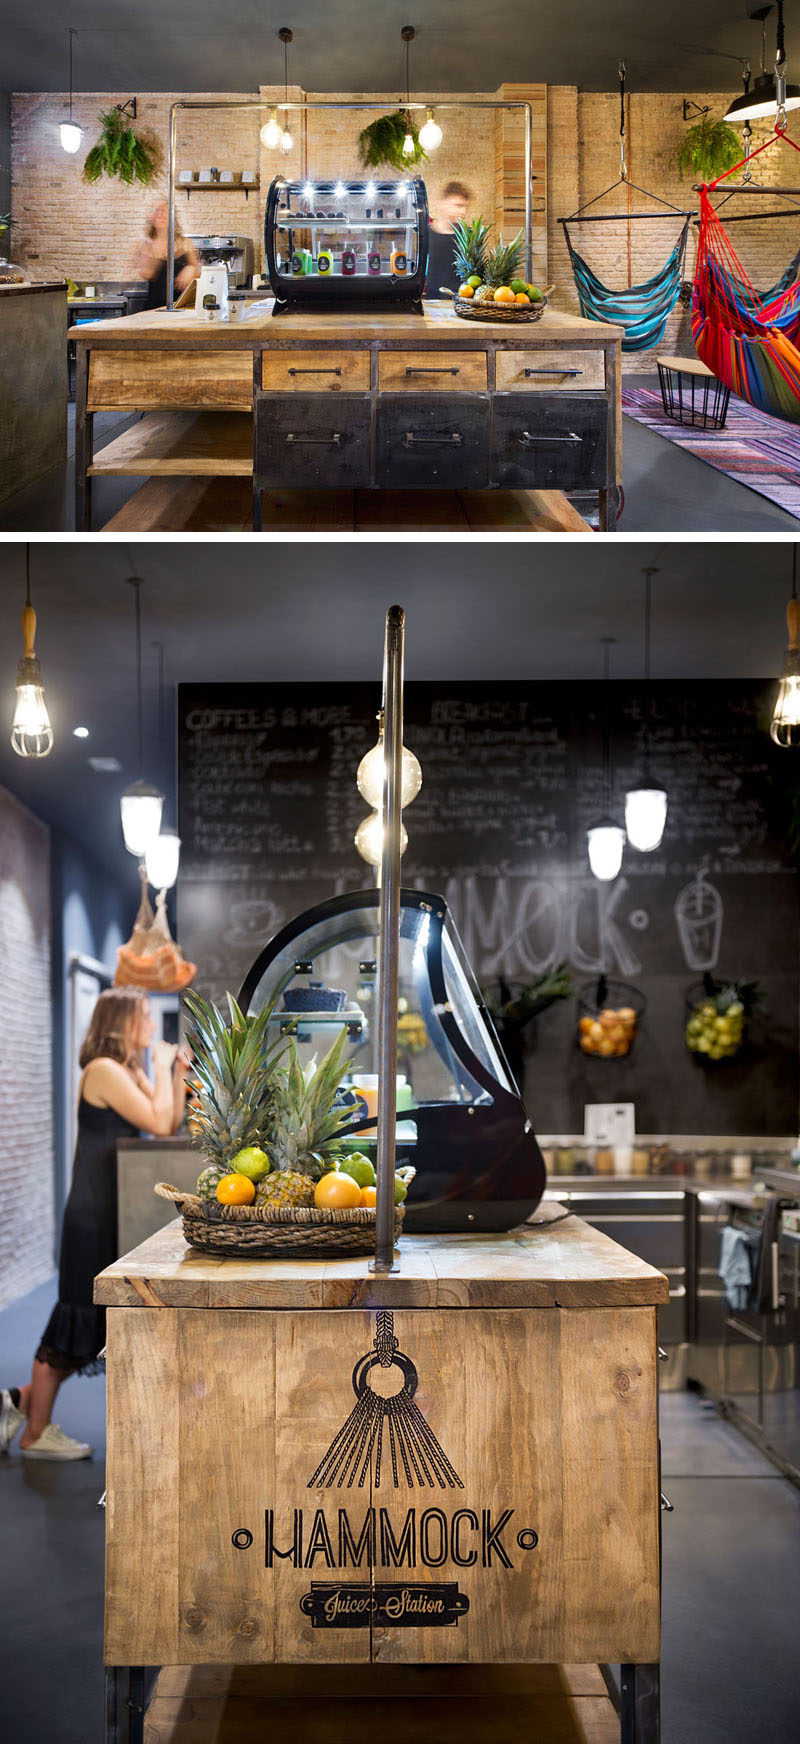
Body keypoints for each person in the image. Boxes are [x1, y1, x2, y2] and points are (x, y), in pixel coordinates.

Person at [0, 989, 189, 1461]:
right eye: (144, 1016)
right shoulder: (103, 1070)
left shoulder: (126, 1070)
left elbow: (167, 1116)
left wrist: (175, 1073)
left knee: (96, 1320)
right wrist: (164, 1070)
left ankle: (19, 1404)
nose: (150, 1024)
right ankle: (34, 1433)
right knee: (76, 1316)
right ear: (122, 1021)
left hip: (110, 1206)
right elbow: (162, 1126)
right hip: (92, 1211)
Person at [133, 201, 198, 309]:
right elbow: (147, 274)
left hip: (181, 307)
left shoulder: (185, 243)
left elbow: (198, 274)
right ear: (152, 217)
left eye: (165, 211)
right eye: (157, 211)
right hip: (154, 308)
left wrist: (191, 268)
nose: (161, 215)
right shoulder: (145, 245)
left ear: (173, 217)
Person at [425, 180, 472, 297]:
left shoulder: (469, 235)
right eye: (458, 206)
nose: (463, 211)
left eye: (465, 206)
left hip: (462, 302)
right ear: (442, 203)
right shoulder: (427, 233)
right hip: (432, 302)